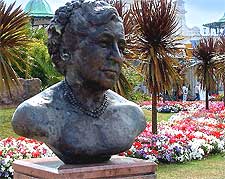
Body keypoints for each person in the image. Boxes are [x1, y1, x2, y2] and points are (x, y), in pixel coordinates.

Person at [12, 0, 146, 164]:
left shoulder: (132, 115)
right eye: (104, 43)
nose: (118, 57)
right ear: (65, 52)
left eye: (121, 47)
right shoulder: (33, 114)